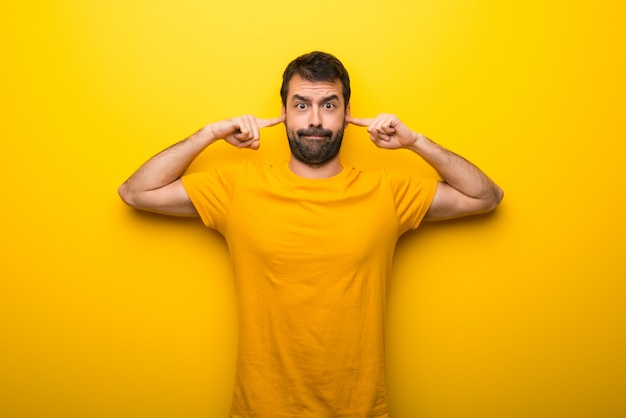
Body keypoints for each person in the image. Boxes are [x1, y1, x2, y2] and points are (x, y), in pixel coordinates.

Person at [118, 51, 503, 418]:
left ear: (347, 114)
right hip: (261, 409)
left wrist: (416, 142)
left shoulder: (386, 192)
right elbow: (136, 192)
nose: (315, 119)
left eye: (329, 105)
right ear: (283, 113)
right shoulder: (239, 188)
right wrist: (208, 134)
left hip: (359, 409)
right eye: (301, 105)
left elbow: (485, 196)